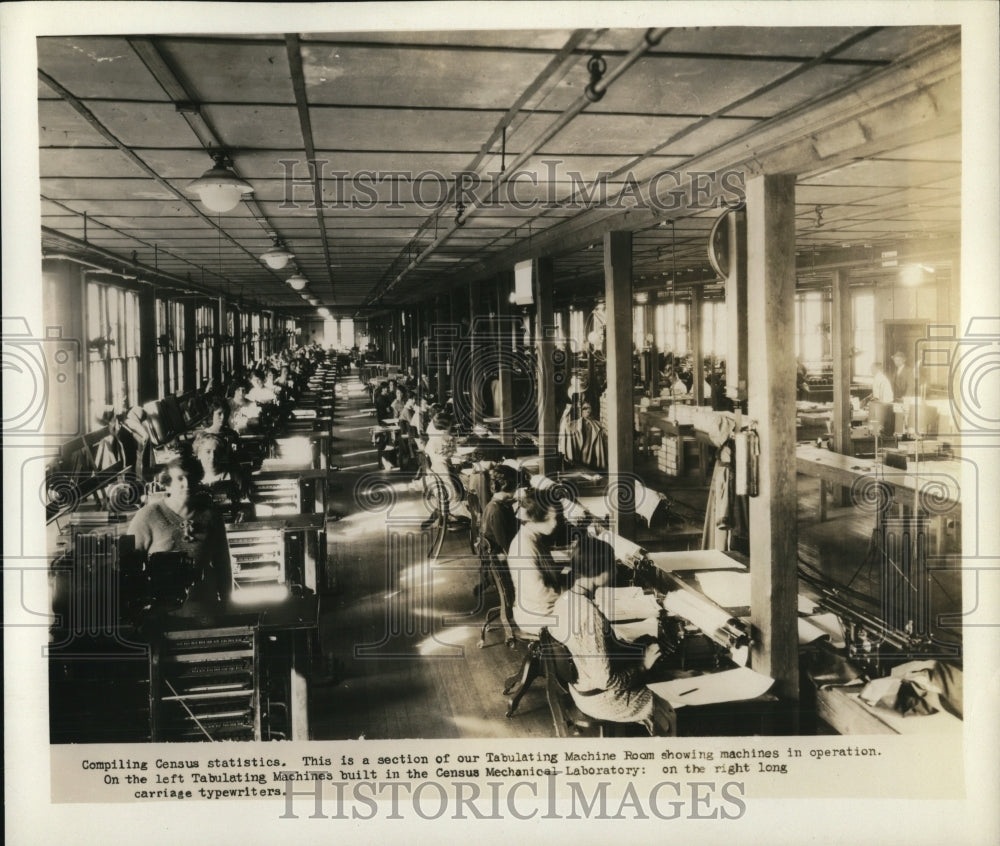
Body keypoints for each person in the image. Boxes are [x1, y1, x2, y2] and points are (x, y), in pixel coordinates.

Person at [548, 533, 676, 735]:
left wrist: (635, 649)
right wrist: (643, 665)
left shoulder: (564, 599)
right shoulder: (588, 615)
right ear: (599, 571)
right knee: (670, 702)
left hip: (580, 688)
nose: (615, 569)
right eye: (611, 565)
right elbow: (607, 681)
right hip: (603, 700)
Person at [127, 454, 233, 607]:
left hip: (205, 606)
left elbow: (223, 565)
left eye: (191, 478)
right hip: (161, 611)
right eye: (180, 478)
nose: (187, 483)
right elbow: (130, 566)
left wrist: (227, 604)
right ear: (167, 483)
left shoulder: (211, 516)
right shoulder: (148, 516)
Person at [508, 490, 564, 633]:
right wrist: (570, 594)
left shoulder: (534, 537)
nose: (555, 523)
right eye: (548, 518)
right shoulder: (524, 547)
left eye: (556, 517)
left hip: (540, 608)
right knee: (590, 619)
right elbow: (538, 594)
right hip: (537, 615)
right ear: (533, 518)